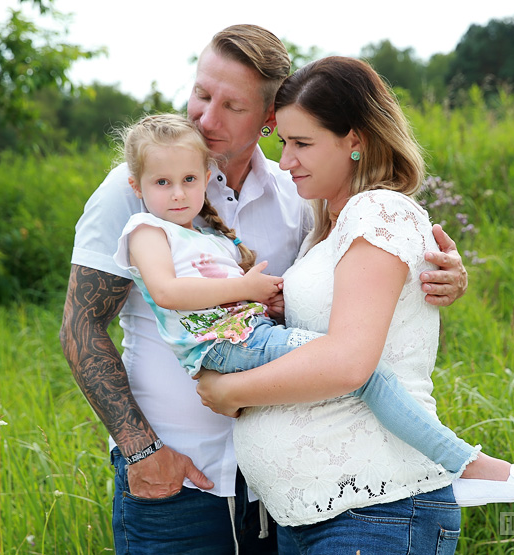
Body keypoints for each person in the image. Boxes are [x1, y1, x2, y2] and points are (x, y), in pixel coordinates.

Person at [60, 25, 469, 555]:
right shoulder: (136, 186)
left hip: (282, 495)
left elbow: (340, 285)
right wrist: (142, 451)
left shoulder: (295, 191)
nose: (206, 118)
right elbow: (81, 324)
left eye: (232, 106)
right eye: (201, 94)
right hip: (175, 482)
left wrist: (437, 272)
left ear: (270, 116)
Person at [195, 56, 514, 554]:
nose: (287, 161)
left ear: (356, 140)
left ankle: (471, 465)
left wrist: (229, 391)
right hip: (316, 518)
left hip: (376, 512)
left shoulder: (378, 210)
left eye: (303, 144)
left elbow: (348, 363)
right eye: (284, 144)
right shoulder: (326, 229)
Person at [111, 112, 514, 505]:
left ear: (207, 177)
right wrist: (245, 287)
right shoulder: (146, 229)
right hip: (231, 346)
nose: (177, 193)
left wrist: (268, 301)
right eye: (162, 183)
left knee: (351, 367)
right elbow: (166, 292)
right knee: (361, 371)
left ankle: (455, 464)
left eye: (189, 180)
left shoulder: (211, 236)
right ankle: (462, 463)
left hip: (246, 338)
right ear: (136, 186)